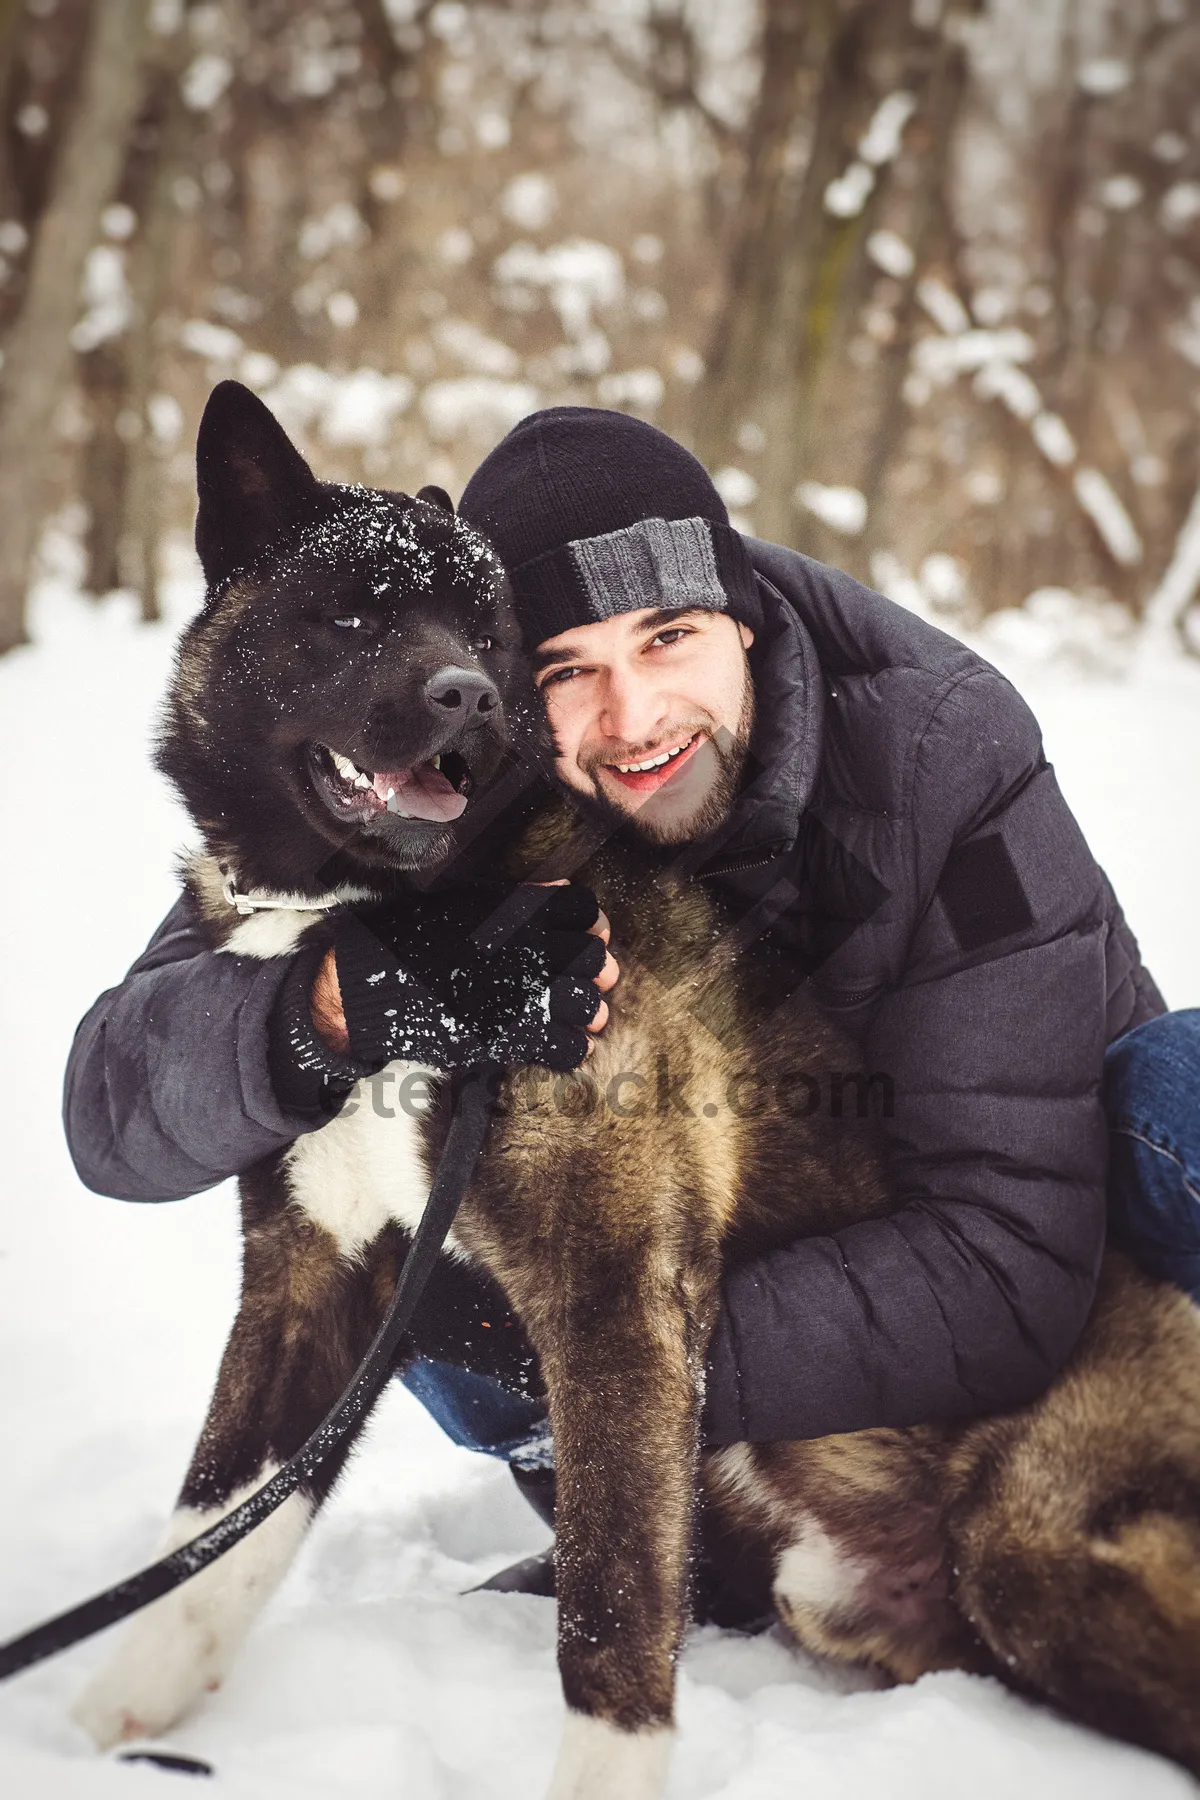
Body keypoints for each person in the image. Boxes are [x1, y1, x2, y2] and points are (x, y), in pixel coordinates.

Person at [64, 407, 1200, 1590]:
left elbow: (1009, 1257)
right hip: (678, 1312)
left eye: (671, 639)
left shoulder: (935, 749)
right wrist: (331, 1004)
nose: (635, 716)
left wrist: (607, 1350)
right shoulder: (429, 789)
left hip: (1066, 1260)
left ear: (744, 622)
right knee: (390, 1187)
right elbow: (117, 1107)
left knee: (1183, 1089)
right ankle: (721, 1535)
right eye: (567, 672)